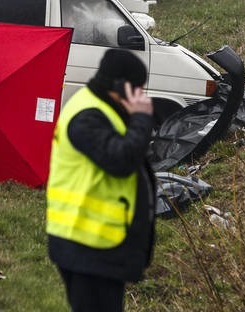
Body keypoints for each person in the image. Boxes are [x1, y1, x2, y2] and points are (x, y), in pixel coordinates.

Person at [46, 48, 156, 312]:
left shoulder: (102, 107)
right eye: (137, 90)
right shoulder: (87, 117)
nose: (142, 97)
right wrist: (141, 118)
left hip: (95, 242)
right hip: (87, 242)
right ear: (119, 87)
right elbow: (121, 160)